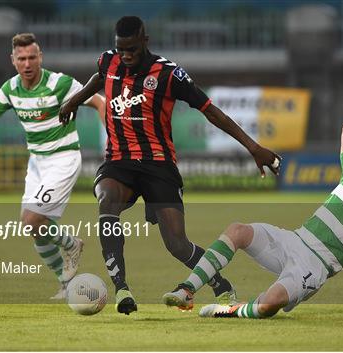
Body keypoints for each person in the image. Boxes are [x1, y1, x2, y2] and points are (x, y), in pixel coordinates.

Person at [59, 16, 281, 315]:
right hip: (119, 161)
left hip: (158, 166)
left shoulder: (168, 74)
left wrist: (253, 147)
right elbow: (99, 78)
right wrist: (74, 101)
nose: (125, 57)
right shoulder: (108, 62)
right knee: (107, 200)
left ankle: (221, 286)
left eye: (132, 50)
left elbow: (210, 111)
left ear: (145, 41)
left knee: (176, 244)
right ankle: (121, 288)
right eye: (120, 49)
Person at [163, 80, 343, 318]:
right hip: (294, 240)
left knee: (269, 305)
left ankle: (229, 310)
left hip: (316, 265)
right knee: (237, 231)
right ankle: (188, 289)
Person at [0, 33, 106, 298]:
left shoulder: (59, 83)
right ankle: (65, 283)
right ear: (13, 60)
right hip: (37, 162)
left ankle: (72, 245)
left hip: (63, 158)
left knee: (32, 219)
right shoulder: (10, 89)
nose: (27, 63)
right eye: (22, 58)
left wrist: (112, 140)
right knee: (34, 228)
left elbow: (99, 102)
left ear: (40, 57)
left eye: (32, 57)